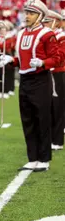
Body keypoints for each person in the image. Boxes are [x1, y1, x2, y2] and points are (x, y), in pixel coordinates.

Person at [0, 0, 62, 172]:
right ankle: (32, 157)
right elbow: (22, 59)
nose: (26, 15)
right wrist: (11, 61)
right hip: (25, 80)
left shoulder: (46, 34)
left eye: (31, 13)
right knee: (28, 120)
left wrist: (43, 63)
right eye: (26, 12)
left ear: (40, 16)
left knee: (42, 119)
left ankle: (44, 159)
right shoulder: (22, 33)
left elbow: (57, 57)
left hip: (41, 80)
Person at [43, 9, 65, 151]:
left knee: (58, 107)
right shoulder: (46, 36)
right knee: (49, 107)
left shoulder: (62, 36)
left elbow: (60, 56)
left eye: (47, 22)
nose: (44, 25)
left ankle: (57, 141)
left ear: (55, 23)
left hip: (59, 73)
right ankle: (50, 137)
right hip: (48, 73)